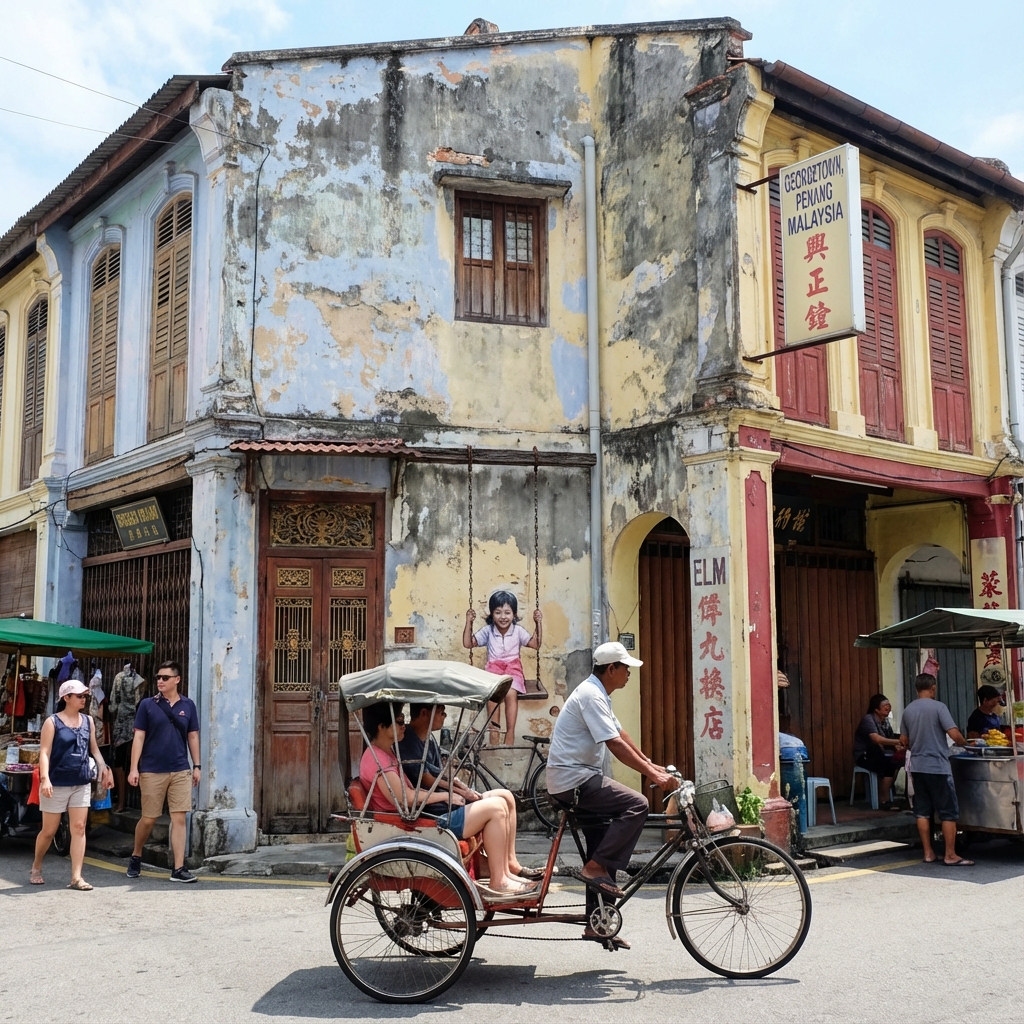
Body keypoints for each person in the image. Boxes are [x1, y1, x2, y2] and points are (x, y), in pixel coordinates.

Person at [547, 641, 674, 948]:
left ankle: (598, 924)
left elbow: (621, 736)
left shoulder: (599, 693)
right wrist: (652, 775)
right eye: (625, 668)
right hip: (574, 781)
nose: (629, 673)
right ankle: (594, 868)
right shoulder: (591, 695)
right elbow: (614, 745)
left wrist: (649, 763)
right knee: (637, 804)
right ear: (611, 669)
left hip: (580, 779)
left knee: (602, 846)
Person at [359, 701, 535, 896]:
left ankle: (505, 870)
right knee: (496, 808)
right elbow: (406, 798)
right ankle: (499, 881)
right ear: (381, 727)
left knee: (502, 799)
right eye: (399, 721)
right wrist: (446, 795)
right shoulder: (377, 760)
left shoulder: (388, 753)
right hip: (417, 825)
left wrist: (454, 789)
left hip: (418, 818)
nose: (404, 726)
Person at [398, 702, 543, 880]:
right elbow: (426, 777)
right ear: (424, 713)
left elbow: (440, 773)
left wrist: (460, 787)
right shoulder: (408, 740)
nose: (444, 717)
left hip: (448, 802)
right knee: (496, 808)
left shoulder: (428, 739)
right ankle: (499, 880)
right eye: (442, 712)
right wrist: (457, 791)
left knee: (506, 796)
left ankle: (511, 863)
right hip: (436, 812)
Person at [30, 680, 114, 889]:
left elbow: (94, 750)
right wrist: (45, 778)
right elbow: (45, 752)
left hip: (81, 781)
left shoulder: (88, 721)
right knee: (49, 830)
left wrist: (104, 768)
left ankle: (76, 877)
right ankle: (37, 865)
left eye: (84, 696)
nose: (83, 699)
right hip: (57, 782)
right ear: (66, 698)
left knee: (79, 827)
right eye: (79, 696)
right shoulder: (52, 722)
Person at [126, 661, 200, 883]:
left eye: (165, 677)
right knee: (149, 818)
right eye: (158, 677)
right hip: (152, 769)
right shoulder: (148, 705)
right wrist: (133, 768)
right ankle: (136, 854)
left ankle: (178, 868)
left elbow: (193, 736)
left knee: (179, 818)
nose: (160, 681)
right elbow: (138, 737)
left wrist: (197, 766)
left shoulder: (188, 705)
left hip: (180, 769)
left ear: (177, 679)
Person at [900, 673, 972, 866]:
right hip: (938, 768)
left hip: (917, 768)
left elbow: (903, 741)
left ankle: (928, 853)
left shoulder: (908, 710)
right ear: (933, 688)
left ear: (916, 689)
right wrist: (966, 744)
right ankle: (950, 855)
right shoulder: (939, 707)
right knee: (948, 812)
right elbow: (954, 734)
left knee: (922, 811)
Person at [463, 590, 542, 745]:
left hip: (513, 671)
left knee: (511, 693)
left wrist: (538, 623)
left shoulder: (518, 631)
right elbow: (467, 644)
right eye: (498, 612)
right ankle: (494, 735)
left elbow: (535, 644)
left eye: (507, 612)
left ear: (514, 614)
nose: (503, 617)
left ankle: (510, 734)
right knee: (493, 695)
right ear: (492, 614)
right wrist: (468, 622)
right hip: (493, 671)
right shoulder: (488, 631)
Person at [853, 694, 905, 809]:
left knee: (899, 761)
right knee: (889, 766)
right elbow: (876, 739)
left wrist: (898, 747)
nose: (888, 707)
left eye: (889, 705)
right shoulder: (868, 719)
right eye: (885, 706)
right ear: (876, 709)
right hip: (864, 756)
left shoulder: (885, 722)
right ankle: (884, 800)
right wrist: (896, 742)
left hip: (879, 755)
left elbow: (890, 738)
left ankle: (886, 792)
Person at [109, 663, 145, 812]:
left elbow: (113, 703)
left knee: (119, 763)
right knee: (138, 762)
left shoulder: (118, 677)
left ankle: (121, 803)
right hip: (137, 723)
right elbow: (139, 700)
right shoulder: (140, 680)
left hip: (121, 723)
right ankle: (140, 803)